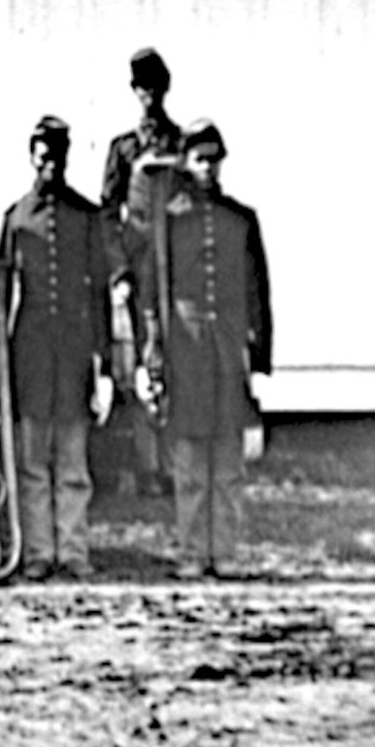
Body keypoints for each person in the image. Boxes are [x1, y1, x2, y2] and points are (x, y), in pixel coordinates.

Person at [137, 120, 272, 580]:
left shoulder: (240, 219)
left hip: (228, 348)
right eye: (199, 158)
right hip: (186, 348)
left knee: (228, 458)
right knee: (191, 457)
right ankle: (193, 551)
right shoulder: (169, 222)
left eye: (214, 159)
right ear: (186, 162)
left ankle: (225, 552)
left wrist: (258, 355)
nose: (208, 167)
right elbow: (154, 293)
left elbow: (257, 290)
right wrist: (154, 355)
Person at [0, 115, 113, 582]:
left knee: (72, 460)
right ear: (31, 158)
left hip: (75, 353)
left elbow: (99, 292)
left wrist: (103, 366)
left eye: (56, 156)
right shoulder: (16, 219)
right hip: (30, 353)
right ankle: (39, 551)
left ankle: (74, 550)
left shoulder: (86, 217)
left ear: (65, 158)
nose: (49, 165)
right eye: (41, 156)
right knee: (32, 462)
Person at [101, 46, 182, 498]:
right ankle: (143, 464)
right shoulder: (123, 148)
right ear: (134, 93)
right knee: (136, 361)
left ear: (163, 89)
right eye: (141, 88)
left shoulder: (181, 145)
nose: (148, 96)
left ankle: (174, 464)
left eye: (154, 87)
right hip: (137, 270)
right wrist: (118, 269)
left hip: (177, 271)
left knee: (175, 359)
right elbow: (107, 213)